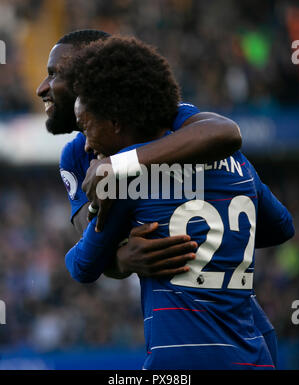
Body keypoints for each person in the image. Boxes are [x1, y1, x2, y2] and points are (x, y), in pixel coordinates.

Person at [36, 29, 279, 367]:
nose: (42, 88)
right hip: (248, 344)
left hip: (188, 348)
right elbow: (93, 237)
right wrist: (123, 260)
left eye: (54, 74)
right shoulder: (75, 156)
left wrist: (121, 166)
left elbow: (225, 132)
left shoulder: (175, 123)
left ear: (86, 77)